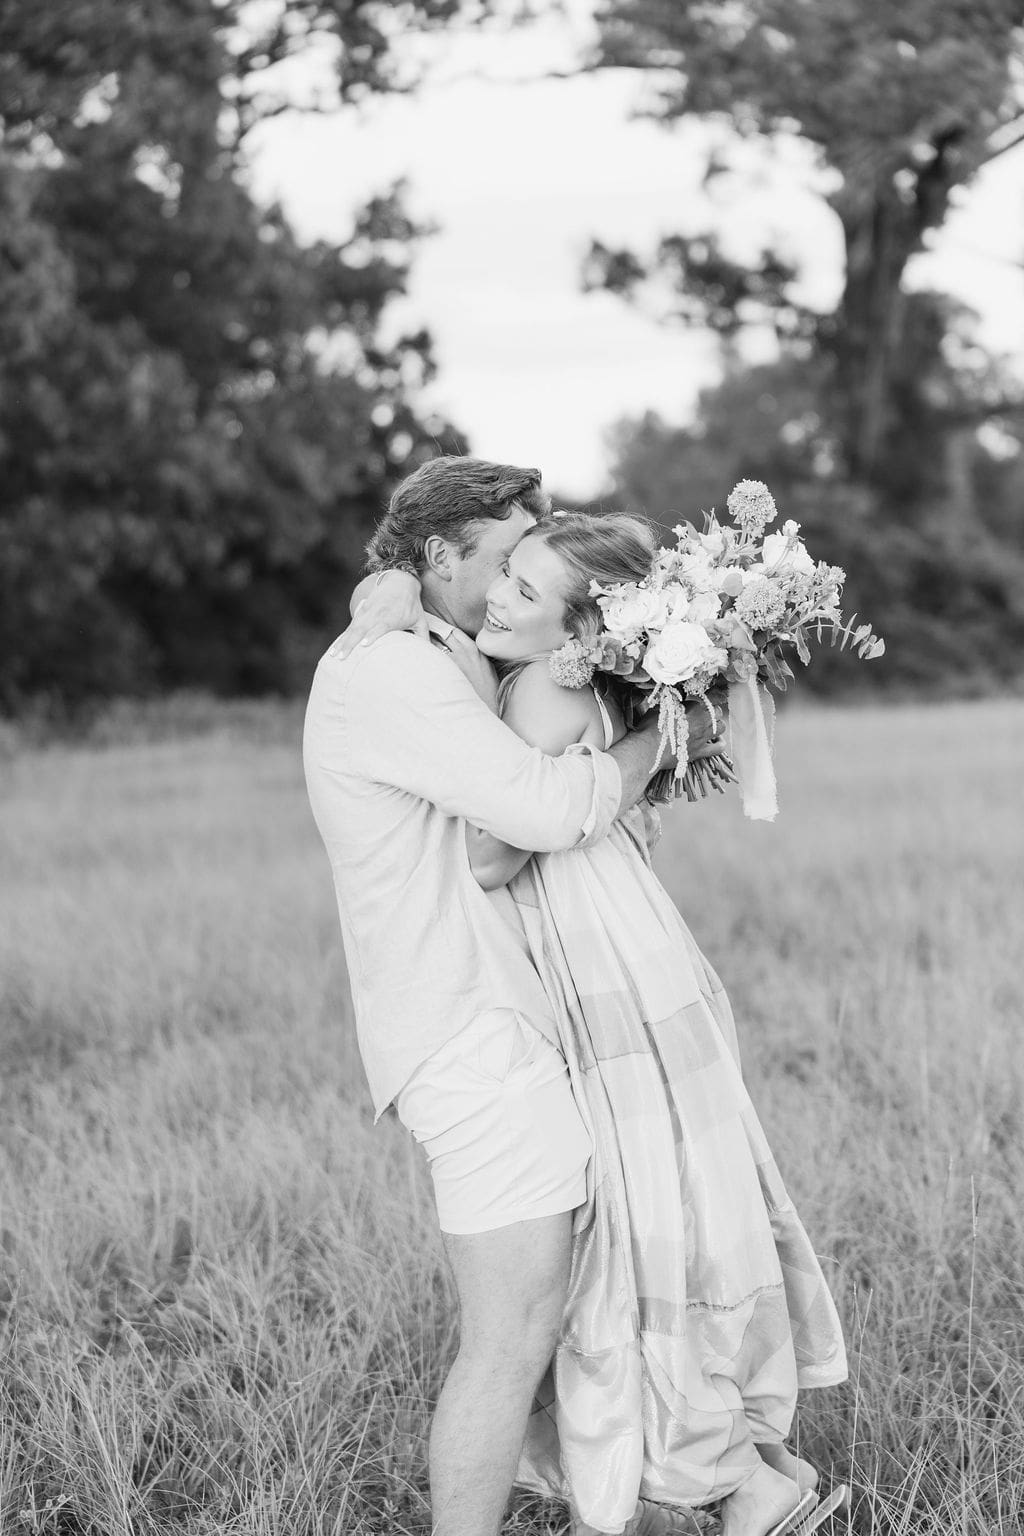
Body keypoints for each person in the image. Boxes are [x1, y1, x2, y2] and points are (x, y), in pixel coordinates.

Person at [345, 502, 850, 1536]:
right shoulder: (571, 678)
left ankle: (714, 1474)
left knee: (632, 1219)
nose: (499, 597)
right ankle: (722, 1465)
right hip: (639, 944)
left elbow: (490, 856)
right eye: (503, 575)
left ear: (582, 637)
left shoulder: (537, 689)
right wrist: (387, 587)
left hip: (591, 959)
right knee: (667, 1203)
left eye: (525, 591)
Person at [303, 457, 727, 1536]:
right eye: (500, 560)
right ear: (440, 554)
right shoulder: (390, 669)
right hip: (469, 1035)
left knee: (561, 1318)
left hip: (508, 1023)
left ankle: (638, 1492)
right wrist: (656, 740)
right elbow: (532, 814)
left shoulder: (435, 644)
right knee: (512, 1335)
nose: (507, 588)